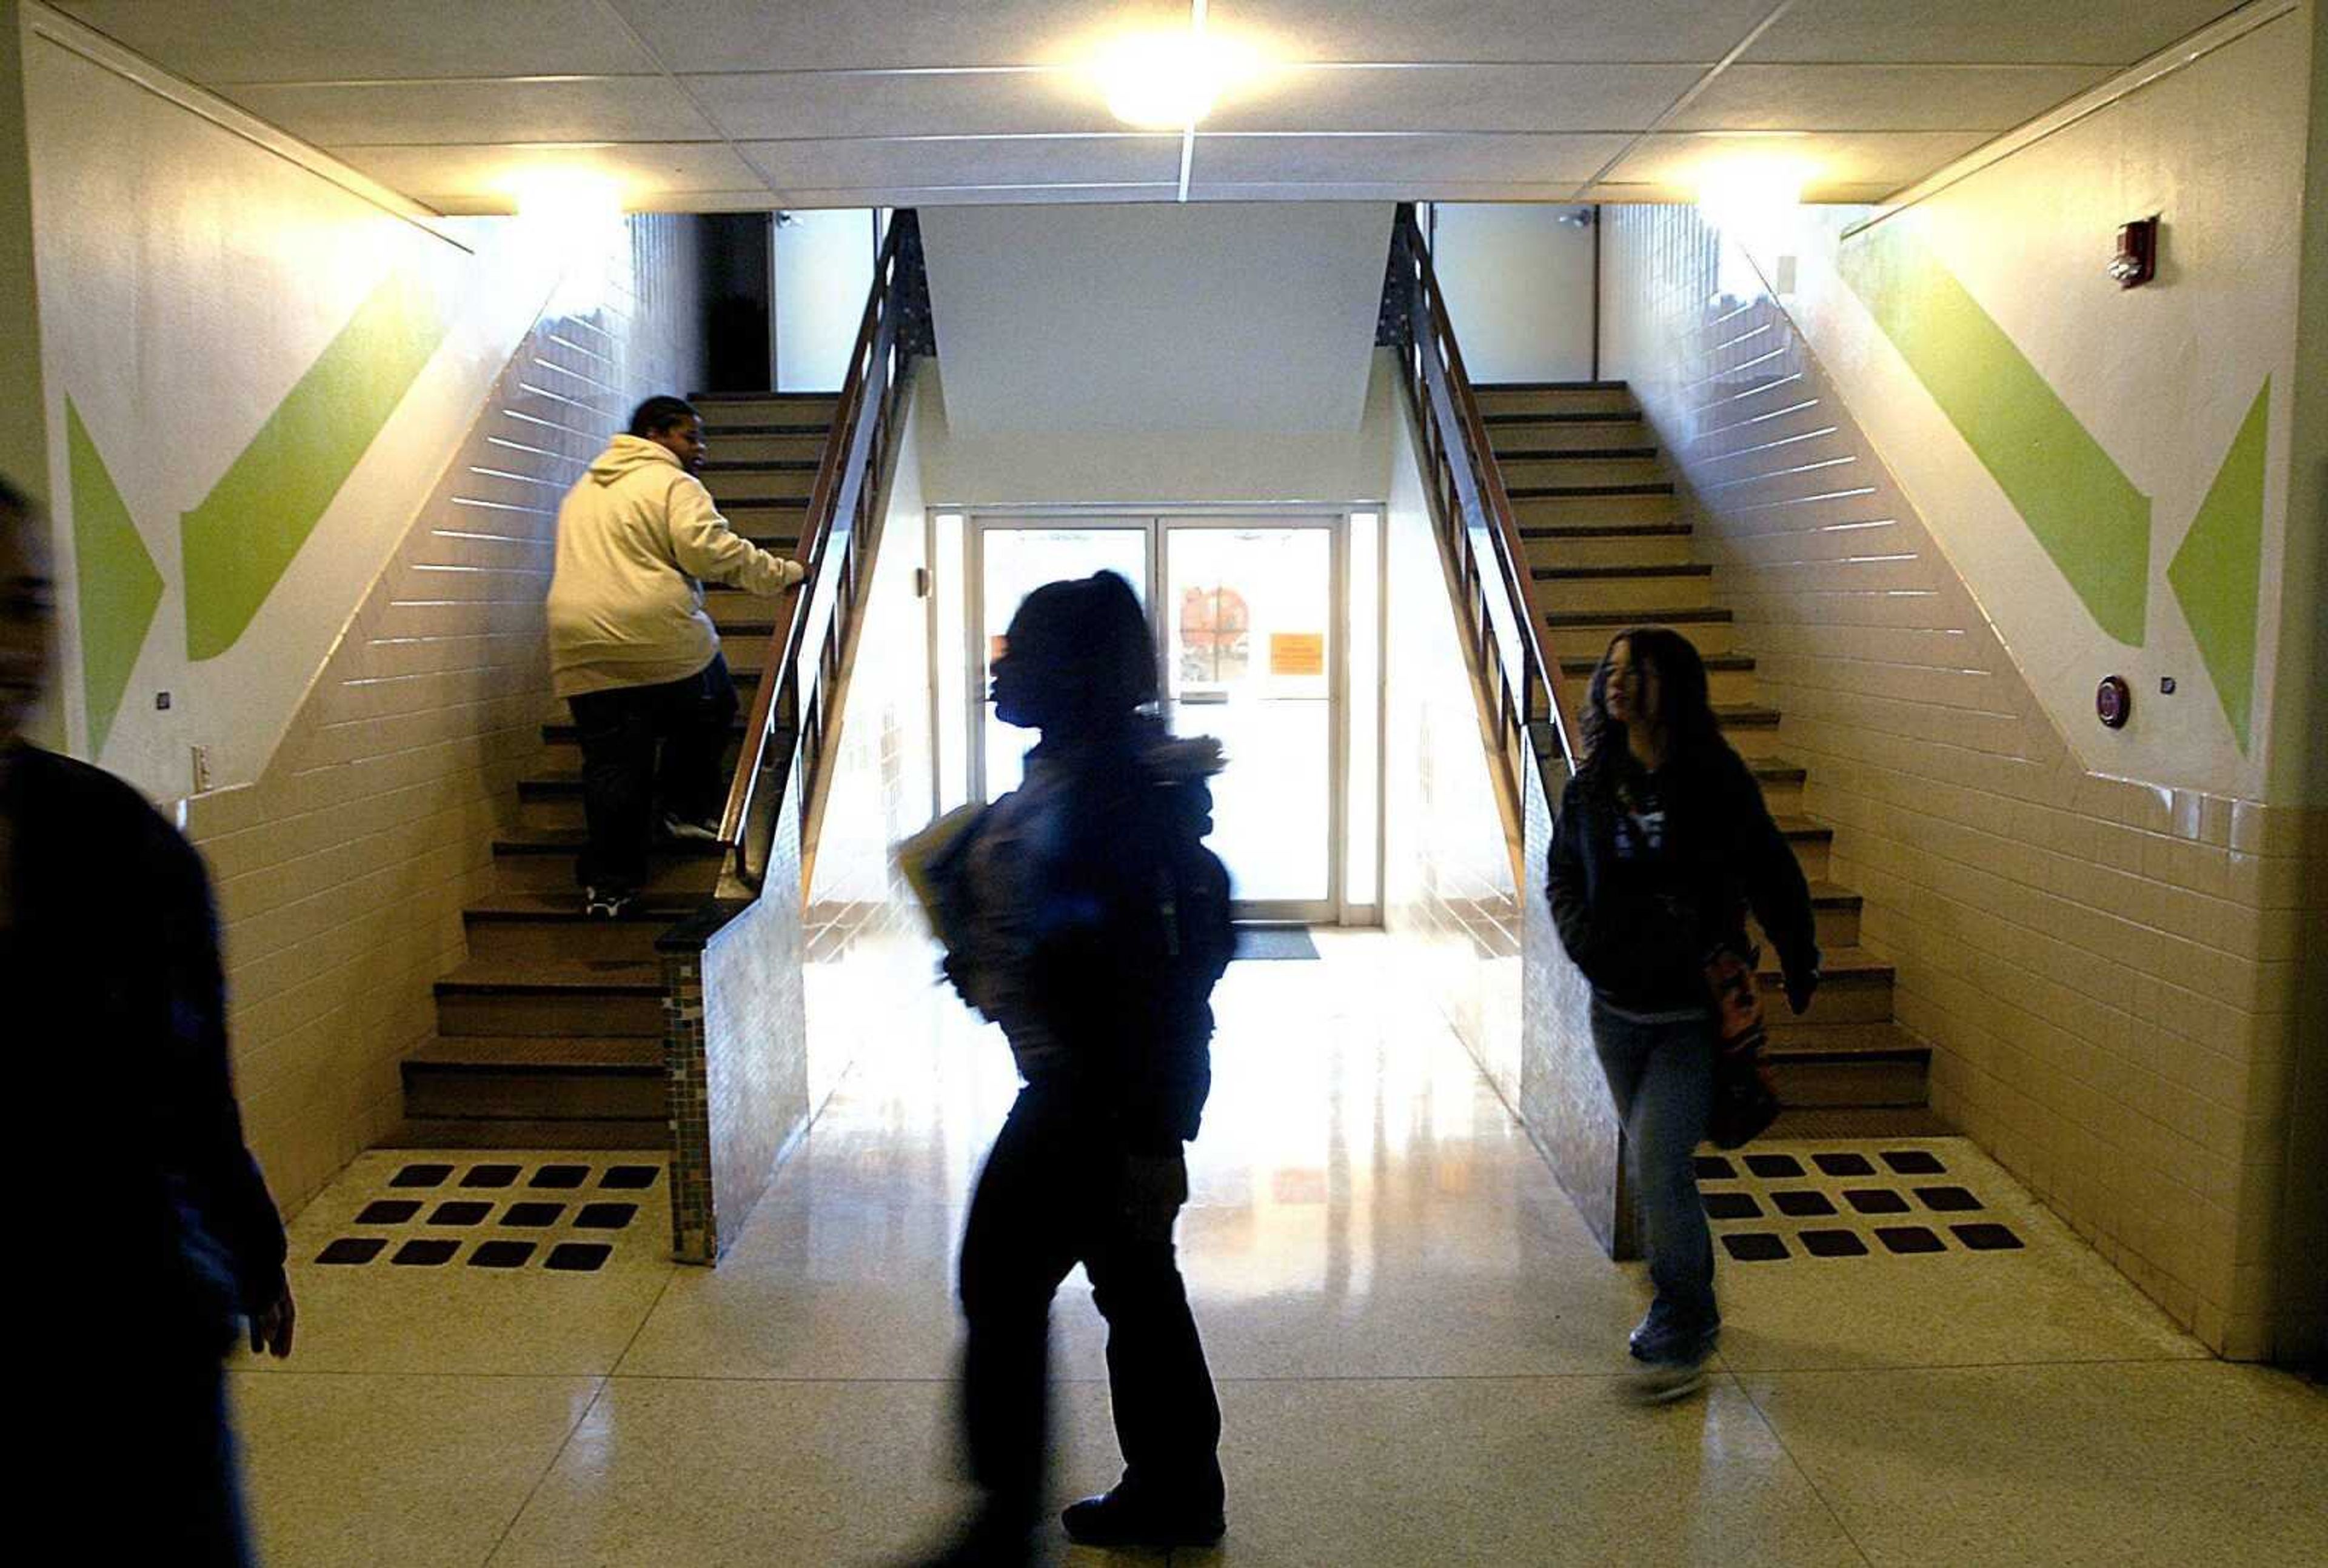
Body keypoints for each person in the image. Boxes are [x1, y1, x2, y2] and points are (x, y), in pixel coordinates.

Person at [901, 572, 1236, 1564]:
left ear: (1071, 671)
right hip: (1096, 1084)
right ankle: (1177, 1488)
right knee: (1135, 1279)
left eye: (1018, 653)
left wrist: (1147, 1131)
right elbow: (1048, 926)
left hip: (1095, 1091)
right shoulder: (1074, 771)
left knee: (1000, 1279)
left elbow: (1146, 975)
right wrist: (981, 941)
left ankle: (1004, 1524)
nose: (997, 669)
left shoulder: (1115, 798)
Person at [4, 475, 294, 1561]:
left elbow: (192, 1101)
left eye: (28, 605)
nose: (10, 646)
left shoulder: (127, 852)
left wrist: (253, 1254)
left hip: (135, 1366)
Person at [1545, 627, 1820, 1401]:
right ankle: (1685, 1293)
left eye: (1639, 671)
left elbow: (1771, 866)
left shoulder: (1715, 779)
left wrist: (1800, 954)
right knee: (1653, 1157)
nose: (1619, 682)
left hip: (1692, 1015)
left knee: (1660, 1161)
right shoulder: (1594, 782)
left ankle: (1686, 1316)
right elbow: (1564, 872)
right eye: (1614, 670)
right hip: (1616, 1011)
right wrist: (1583, 941)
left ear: (1675, 685)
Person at [545, 395, 805, 918]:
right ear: (657, 434)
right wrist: (783, 574)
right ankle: (685, 806)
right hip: (651, 632)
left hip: (577, 641)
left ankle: (609, 885)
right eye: (691, 436)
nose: (700, 448)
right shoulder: (672, 483)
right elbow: (708, 550)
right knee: (714, 703)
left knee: (613, 766)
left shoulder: (585, 488)